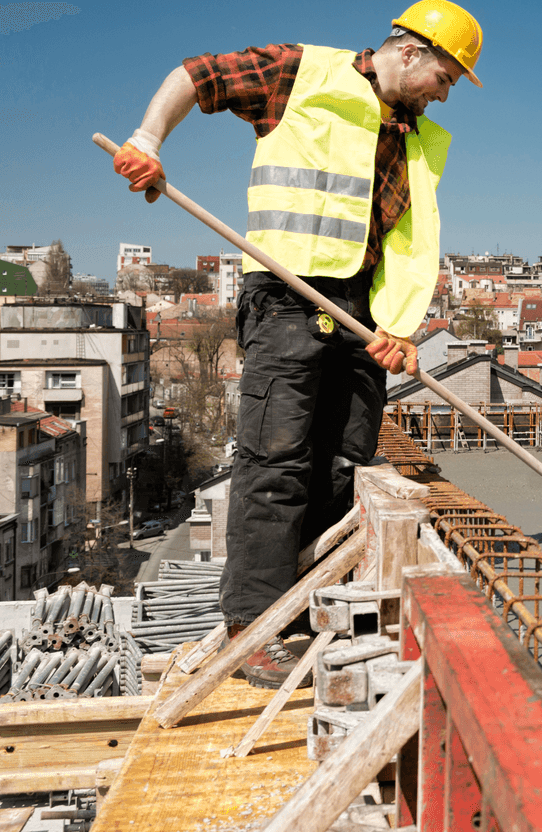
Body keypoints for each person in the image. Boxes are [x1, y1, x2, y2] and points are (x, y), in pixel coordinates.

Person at [112, 1, 483, 687]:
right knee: (276, 462)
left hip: (362, 315)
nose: (446, 91)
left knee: (343, 464)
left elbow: (408, 245)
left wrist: (399, 326)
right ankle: (253, 630)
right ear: (408, 53)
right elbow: (197, 77)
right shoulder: (301, 73)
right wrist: (149, 140)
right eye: (446, 75)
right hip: (287, 296)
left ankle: (308, 616)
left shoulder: (415, 138)